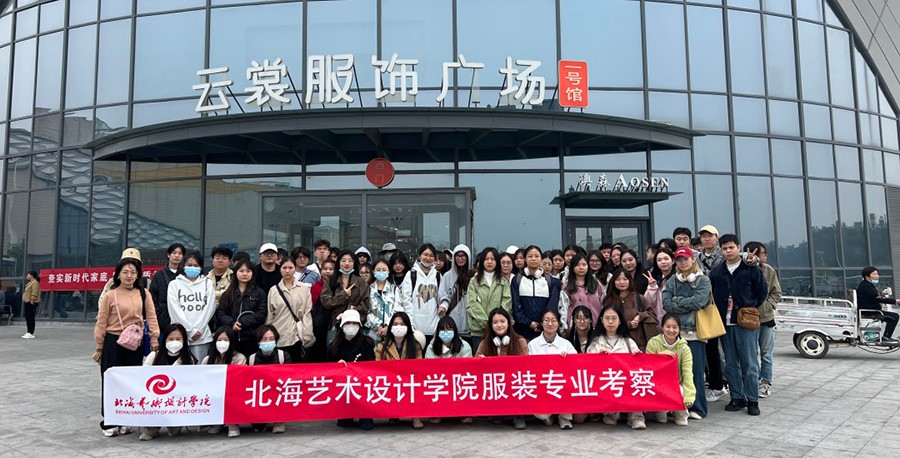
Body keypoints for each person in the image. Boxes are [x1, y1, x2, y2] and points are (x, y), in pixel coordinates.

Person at [93, 257, 159, 437]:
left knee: (131, 382)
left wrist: (154, 337)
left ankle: (126, 419)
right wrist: (99, 346)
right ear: (118, 275)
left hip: (135, 342)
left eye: (133, 272)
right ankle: (109, 421)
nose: (129, 276)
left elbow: (151, 316)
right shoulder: (110, 295)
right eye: (125, 272)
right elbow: (101, 321)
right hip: (112, 342)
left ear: (138, 275)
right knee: (111, 381)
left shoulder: (143, 293)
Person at [709, 234, 767, 416]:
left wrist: (750, 306)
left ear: (738, 247)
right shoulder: (717, 271)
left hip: (745, 322)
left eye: (731, 247)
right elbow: (713, 293)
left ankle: (752, 399)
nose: (728, 251)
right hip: (724, 323)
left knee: (749, 362)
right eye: (725, 248)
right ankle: (737, 397)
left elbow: (762, 292)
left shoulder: (751, 268)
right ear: (721, 250)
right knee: (731, 362)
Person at [662, 246, 711, 420]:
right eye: (679, 260)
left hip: (695, 333)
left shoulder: (702, 280)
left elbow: (699, 302)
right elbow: (666, 304)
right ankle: (676, 406)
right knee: (675, 372)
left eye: (685, 259)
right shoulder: (672, 280)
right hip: (674, 333)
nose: (682, 262)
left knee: (695, 371)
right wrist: (685, 302)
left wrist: (677, 300)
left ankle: (698, 407)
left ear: (692, 259)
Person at [587, 305, 642, 429]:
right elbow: (588, 367)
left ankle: (636, 416)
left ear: (620, 321)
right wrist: (598, 358)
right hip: (606, 383)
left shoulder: (628, 342)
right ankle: (610, 413)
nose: (610, 322)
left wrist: (637, 357)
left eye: (614, 318)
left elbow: (639, 367)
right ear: (601, 320)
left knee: (637, 384)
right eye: (607, 318)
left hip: (626, 383)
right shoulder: (595, 342)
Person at [139, 323, 196, 441]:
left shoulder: (188, 359)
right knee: (148, 432)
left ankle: (174, 424)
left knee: (174, 433)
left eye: (178, 339)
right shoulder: (154, 356)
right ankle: (152, 428)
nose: (174, 342)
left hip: (176, 400)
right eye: (171, 339)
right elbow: (142, 376)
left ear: (184, 341)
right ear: (165, 340)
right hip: (155, 398)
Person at [475, 307, 529, 429]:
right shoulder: (485, 343)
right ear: (491, 325)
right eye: (495, 322)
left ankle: (518, 415)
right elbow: (476, 367)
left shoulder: (520, 341)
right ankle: (497, 411)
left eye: (502, 321)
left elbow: (524, 366)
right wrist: (480, 361)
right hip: (494, 383)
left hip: (513, 381)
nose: (499, 325)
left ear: (509, 323)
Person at [744, 241, 782, 398]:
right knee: (750, 354)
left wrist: (768, 306)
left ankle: (765, 382)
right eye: (762, 253)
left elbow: (776, 292)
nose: (765, 256)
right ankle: (752, 381)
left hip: (766, 318)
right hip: (747, 318)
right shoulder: (742, 269)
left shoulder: (768, 270)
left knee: (766, 353)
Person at [527, 309, 577, 430]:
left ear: (559, 323)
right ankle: (548, 418)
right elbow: (528, 367)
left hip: (562, 385)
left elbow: (576, 365)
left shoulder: (566, 344)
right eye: (547, 320)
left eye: (553, 321)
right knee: (541, 413)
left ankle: (564, 418)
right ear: (541, 323)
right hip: (541, 386)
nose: (550, 324)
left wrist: (568, 359)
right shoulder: (532, 344)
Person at [327, 310, 376, 431]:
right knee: (344, 424)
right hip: (344, 387)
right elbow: (328, 368)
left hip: (363, 385)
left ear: (359, 325)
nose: (351, 326)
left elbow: (372, 365)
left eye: (354, 323)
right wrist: (337, 365)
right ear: (342, 325)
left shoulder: (367, 343)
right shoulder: (334, 346)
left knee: (367, 425)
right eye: (348, 323)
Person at [376, 311, 425, 429]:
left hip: (409, 380)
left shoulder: (415, 346)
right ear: (390, 327)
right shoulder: (382, 347)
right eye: (395, 324)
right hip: (391, 380)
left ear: (407, 327)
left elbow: (419, 367)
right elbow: (378, 367)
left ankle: (415, 416)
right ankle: (394, 413)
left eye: (402, 324)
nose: (399, 327)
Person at [646, 314, 695, 426]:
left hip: (677, 384)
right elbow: (648, 367)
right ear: (662, 327)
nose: (671, 330)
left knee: (681, 421)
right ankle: (660, 411)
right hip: (657, 383)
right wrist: (660, 356)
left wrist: (689, 396)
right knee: (661, 420)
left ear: (679, 329)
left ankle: (680, 413)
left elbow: (687, 373)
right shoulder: (653, 343)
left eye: (675, 327)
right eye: (668, 327)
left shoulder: (685, 348)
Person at [167, 251, 216, 362]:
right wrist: (189, 330)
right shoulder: (174, 284)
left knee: (200, 367)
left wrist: (198, 329)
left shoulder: (207, 283)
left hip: (202, 336)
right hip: (179, 335)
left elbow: (209, 307)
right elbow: (174, 309)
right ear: (183, 266)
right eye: (189, 265)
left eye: (195, 265)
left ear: (201, 267)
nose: (192, 268)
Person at [696, 225, 726, 403]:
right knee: (711, 349)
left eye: (710, 236)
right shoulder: (697, 258)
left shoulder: (725, 256)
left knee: (730, 349)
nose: (706, 239)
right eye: (703, 236)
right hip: (705, 308)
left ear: (717, 237)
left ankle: (736, 385)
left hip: (724, 306)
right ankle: (717, 385)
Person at [214, 259, 267, 358]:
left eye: (248, 271)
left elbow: (262, 313)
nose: (245, 274)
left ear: (253, 273)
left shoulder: (259, 293)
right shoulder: (228, 293)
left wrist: (242, 322)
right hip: (231, 336)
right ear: (235, 272)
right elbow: (220, 313)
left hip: (252, 338)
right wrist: (232, 323)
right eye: (241, 271)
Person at [265, 258, 315, 362]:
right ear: (280, 269)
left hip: (297, 334)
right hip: (278, 333)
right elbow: (270, 314)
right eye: (284, 268)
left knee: (296, 364)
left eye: (290, 268)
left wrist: (307, 333)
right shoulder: (274, 290)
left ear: (295, 269)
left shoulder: (303, 288)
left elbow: (307, 312)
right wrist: (268, 335)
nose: (287, 271)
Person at [201, 326, 247, 437]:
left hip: (232, 390)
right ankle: (216, 421)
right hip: (214, 391)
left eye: (226, 340)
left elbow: (240, 379)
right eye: (219, 340)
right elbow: (202, 379)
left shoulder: (239, 358)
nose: (222, 343)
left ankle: (233, 423)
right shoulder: (208, 360)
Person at [512, 245, 562, 341]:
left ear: (541, 259)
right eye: (530, 256)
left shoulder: (550, 281)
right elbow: (516, 306)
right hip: (522, 332)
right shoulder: (517, 279)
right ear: (525, 259)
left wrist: (542, 323)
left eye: (536, 256)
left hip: (544, 331)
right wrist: (528, 323)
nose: (533, 259)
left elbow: (552, 305)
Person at [321, 250, 371, 345]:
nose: (347, 263)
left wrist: (348, 313)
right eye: (343, 260)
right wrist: (343, 295)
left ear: (354, 263)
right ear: (338, 263)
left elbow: (365, 305)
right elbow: (326, 301)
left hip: (354, 325)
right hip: (335, 324)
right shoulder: (331, 281)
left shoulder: (361, 282)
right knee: (334, 350)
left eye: (350, 261)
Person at [467, 247, 512, 351]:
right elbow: (472, 305)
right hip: (478, 331)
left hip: (499, 331)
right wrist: (488, 324)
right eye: (486, 259)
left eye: (493, 259)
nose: (489, 262)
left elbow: (507, 304)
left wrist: (496, 323)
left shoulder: (504, 282)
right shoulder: (474, 281)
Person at [604, 268, 659, 352]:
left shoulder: (638, 298)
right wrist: (629, 325)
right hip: (616, 346)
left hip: (639, 345)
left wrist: (640, 317)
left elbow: (652, 314)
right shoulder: (609, 301)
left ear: (630, 281)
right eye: (618, 279)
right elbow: (606, 323)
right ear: (613, 282)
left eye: (625, 279)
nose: (622, 282)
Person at [248, 324, 290, 433]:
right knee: (258, 427)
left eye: (271, 339)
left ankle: (279, 421)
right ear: (258, 341)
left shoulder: (283, 356)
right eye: (264, 339)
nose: (268, 342)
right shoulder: (252, 358)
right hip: (260, 394)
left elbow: (289, 377)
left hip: (277, 392)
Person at [401, 244, 442, 341]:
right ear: (419, 256)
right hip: (415, 328)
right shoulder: (411, 274)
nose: (428, 258)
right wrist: (410, 324)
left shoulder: (437, 276)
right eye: (425, 254)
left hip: (433, 328)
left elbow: (441, 298)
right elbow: (406, 300)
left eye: (431, 255)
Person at [856, 266, 900, 343]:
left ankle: (886, 337)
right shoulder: (867, 286)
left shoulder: (866, 285)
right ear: (867, 276)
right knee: (894, 317)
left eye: (877, 274)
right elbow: (877, 299)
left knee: (893, 316)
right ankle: (886, 337)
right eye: (874, 274)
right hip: (870, 311)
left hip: (871, 310)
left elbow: (874, 296)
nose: (877, 276)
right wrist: (896, 301)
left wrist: (882, 294)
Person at [438, 244, 472, 343]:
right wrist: (444, 305)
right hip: (451, 325)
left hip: (469, 325)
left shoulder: (473, 276)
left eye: (463, 256)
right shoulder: (447, 276)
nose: (460, 258)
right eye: (457, 256)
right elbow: (442, 293)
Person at [560, 254, 604, 330]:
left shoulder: (597, 285)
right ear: (572, 267)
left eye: (584, 264)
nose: (581, 267)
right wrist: (564, 328)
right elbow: (563, 309)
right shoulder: (567, 287)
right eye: (577, 265)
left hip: (596, 327)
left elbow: (604, 304)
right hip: (576, 328)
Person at [149, 243, 184, 336]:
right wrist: (158, 313)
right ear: (168, 255)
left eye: (180, 253)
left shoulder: (185, 275)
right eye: (174, 253)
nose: (177, 255)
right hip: (163, 320)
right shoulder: (159, 275)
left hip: (182, 318)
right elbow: (152, 297)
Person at [307, 258, 336, 362]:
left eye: (331, 269)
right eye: (325, 269)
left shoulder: (338, 286)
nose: (327, 271)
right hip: (319, 324)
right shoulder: (316, 287)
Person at [366, 259, 399, 344]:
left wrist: (388, 326)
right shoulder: (368, 289)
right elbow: (366, 310)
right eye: (378, 270)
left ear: (388, 271)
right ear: (373, 271)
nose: (381, 272)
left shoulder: (394, 289)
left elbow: (398, 309)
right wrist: (378, 326)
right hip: (372, 333)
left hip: (391, 331)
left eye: (384, 270)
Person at [649, 248, 676, 321]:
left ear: (673, 260)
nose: (663, 262)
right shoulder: (655, 279)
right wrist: (652, 287)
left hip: (676, 320)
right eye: (659, 260)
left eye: (666, 259)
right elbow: (649, 303)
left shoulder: (679, 278)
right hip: (660, 321)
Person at [21, 271, 41, 339]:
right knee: (27, 317)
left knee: (31, 317)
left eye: (28, 275)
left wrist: (32, 300)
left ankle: (31, 332)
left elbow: (34, 292)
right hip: (27, 302)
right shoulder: (30, 283)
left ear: (31, 275)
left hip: (31, 302)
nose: (27, 276)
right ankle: (28, 331)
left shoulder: (35, 283)